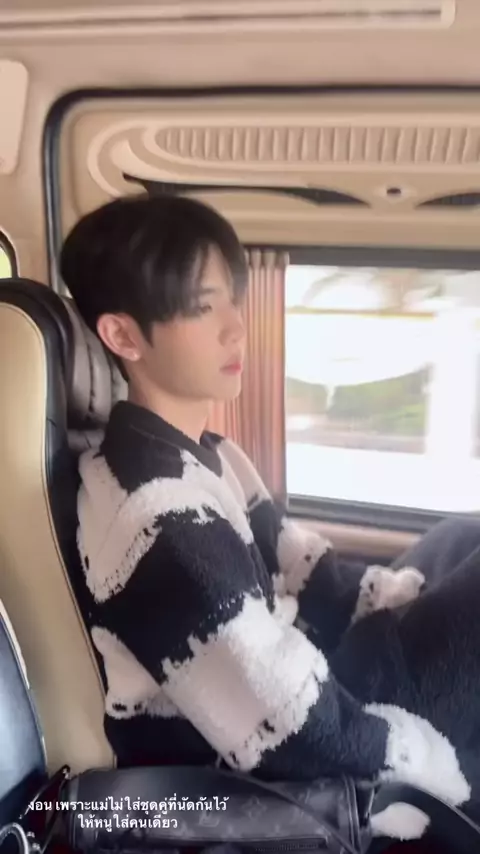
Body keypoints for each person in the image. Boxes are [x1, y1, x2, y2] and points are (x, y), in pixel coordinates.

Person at [60, 193, 480, 832]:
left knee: (461, 537)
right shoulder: (152, 517)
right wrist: (427, 763)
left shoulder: (211, 455)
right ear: (122, 335)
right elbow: (289, 729)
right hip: (277, 763)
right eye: (203, 306)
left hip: (310, 674)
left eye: (234, 298)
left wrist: (404, 600)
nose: (236, 326)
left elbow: (308, 573)